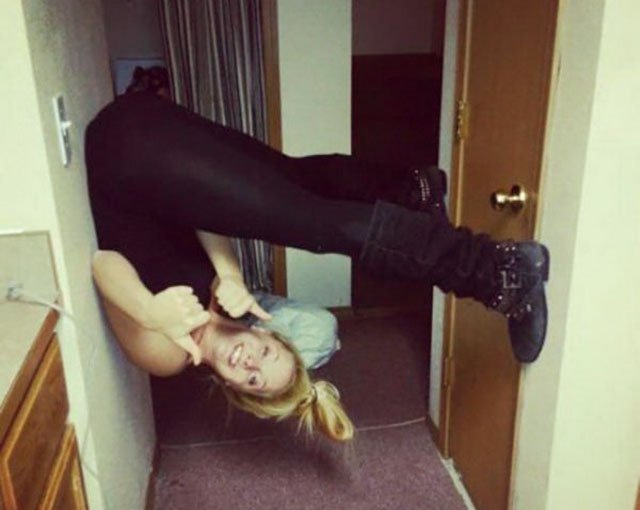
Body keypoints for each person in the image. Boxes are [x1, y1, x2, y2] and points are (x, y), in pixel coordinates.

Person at [86, 90, 549, 442]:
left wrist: (151, 312)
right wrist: (229, 276)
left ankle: (495, 270)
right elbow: (200, 208)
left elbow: (104, 262)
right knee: (296, 189)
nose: (249, 361)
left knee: (312, 217)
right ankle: (440, 217)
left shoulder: (169, 355)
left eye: (253, 376)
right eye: (263, 361)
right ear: (268, 334)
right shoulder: (226, 304)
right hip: (145, 137)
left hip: (126, 156)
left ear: (232, 387)